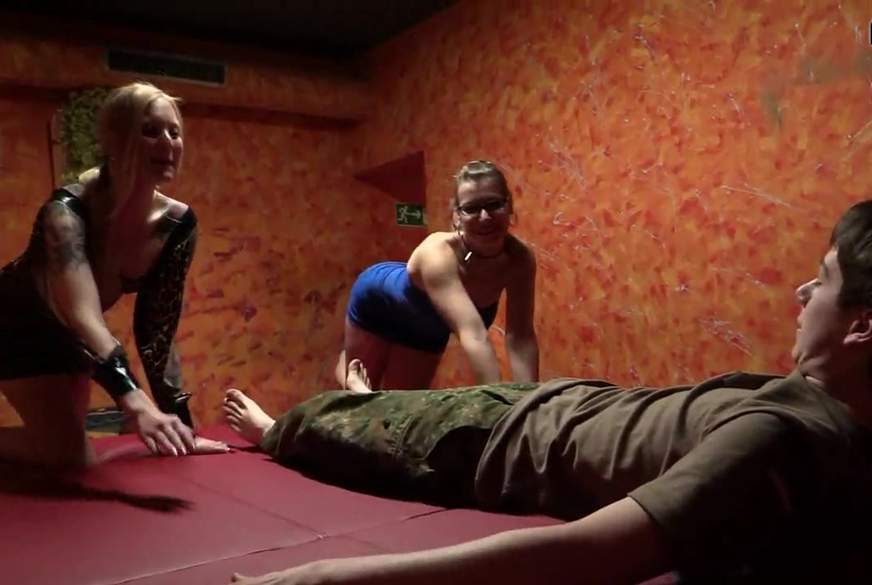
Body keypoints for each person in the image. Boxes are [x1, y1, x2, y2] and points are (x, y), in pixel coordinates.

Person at [224, 201, 872, 583]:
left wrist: (326, 577)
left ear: (862, 325)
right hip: (553, 400)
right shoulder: (821, 410)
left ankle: (277, 429)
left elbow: (586, 553)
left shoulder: (781, 437)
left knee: (345, 417)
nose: (802, 292)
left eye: (821, 281)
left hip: (499, 433)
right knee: (370, 403)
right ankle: (326, 409)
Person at [0, 82, 226, 468]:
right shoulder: (65, 212)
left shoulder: (176, 224)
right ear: (115, 140)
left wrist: (182, 428)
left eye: (174, 132)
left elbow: (157, 333)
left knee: (69, 455)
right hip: (11, 326)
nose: (168, 142)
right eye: (150, 131)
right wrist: (135, 403)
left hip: (68, 338)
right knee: (69, 456)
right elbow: (84, 316)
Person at [335, 160, 539, 390]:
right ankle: (348, 375)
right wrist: (497, 399)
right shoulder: (438, 254)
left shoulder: (520, 259)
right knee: (360, 393)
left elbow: (520, 336)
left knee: (404, 406)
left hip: (428, 329)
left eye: (494, 205)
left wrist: (529, 397)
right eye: (472, 208)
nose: (485, 217)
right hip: (380, 304)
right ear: (457, 216)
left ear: (509, 205)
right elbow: (474, 335)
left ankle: (353, 377)